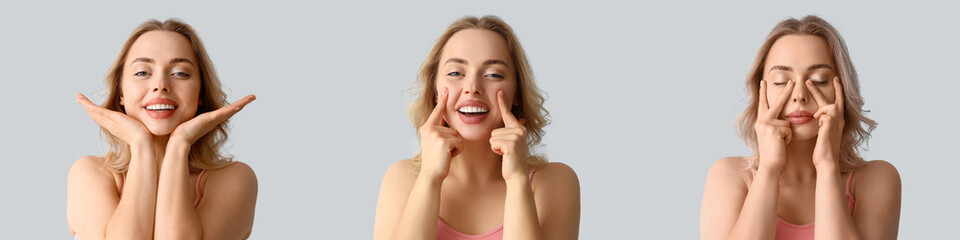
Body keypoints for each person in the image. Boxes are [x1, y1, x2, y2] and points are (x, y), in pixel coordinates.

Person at [374, 15, 580, 240]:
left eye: (493, 74)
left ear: (517, 94)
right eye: (455, 73)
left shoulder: (555, 182)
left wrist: (517, 179)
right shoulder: (403, 178)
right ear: (435, 92)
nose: (472, 87)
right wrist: (430, 178)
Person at [700, 16, 901, 240]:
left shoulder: (877, 179)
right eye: (780, 81)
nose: (799, 96)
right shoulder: (728, 175)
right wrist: (768, 169)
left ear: (842, 90)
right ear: (760, 92)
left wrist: (827, 165)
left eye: (819, 80)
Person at [67, 19, 258, 239]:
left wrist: (179, 144)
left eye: (180, 73)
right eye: (142, 73)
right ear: (121, 93)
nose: (161, 85)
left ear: (201, 95)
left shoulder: (235, 179)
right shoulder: (89, 173)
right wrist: (140, 144)